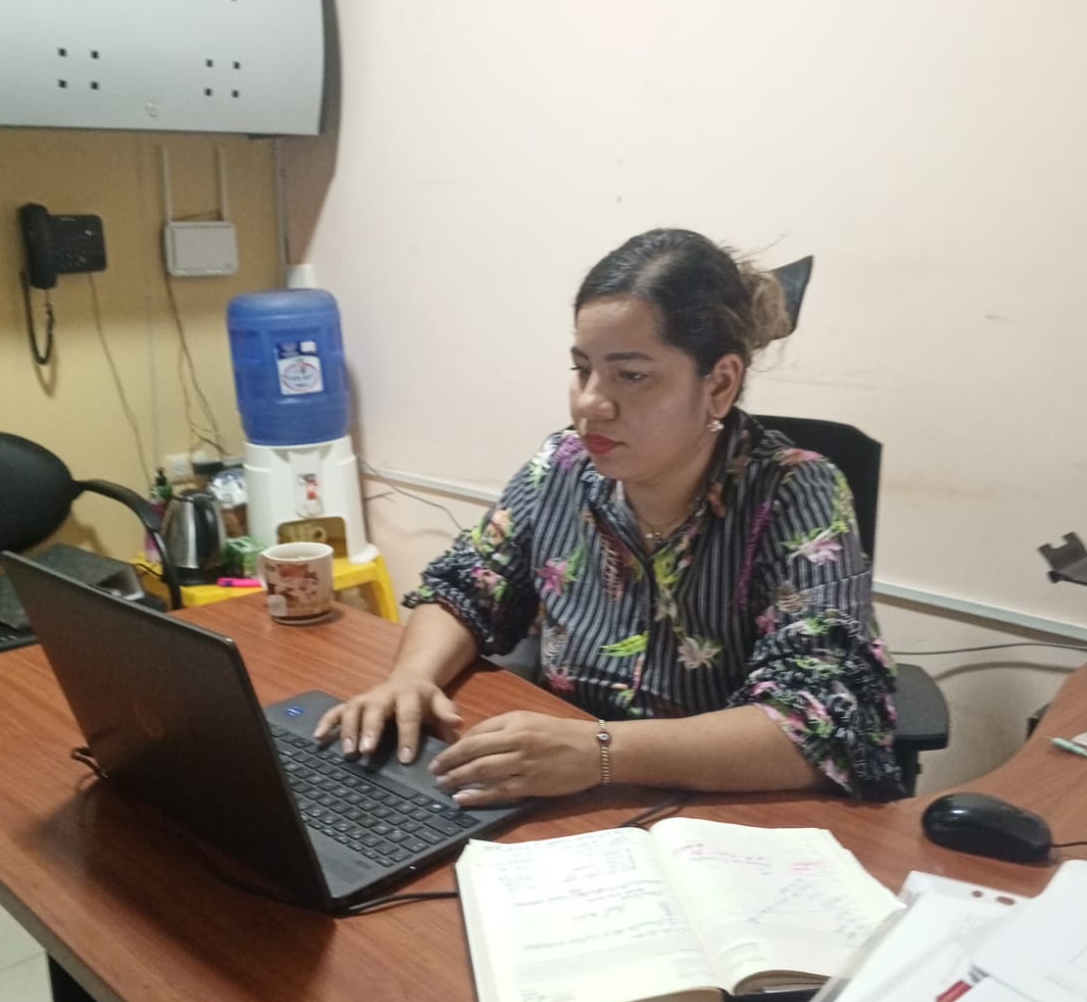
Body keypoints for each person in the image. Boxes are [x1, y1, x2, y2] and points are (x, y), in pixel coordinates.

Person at [317, 228, 902, 804]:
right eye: (582, 369)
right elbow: (467, 585)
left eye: (632, 375)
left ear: (721, 384)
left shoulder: (795, 492)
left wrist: (600, 753)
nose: (590, 403)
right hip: (563, 793)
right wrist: (411, 678)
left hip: (716, 810)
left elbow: (820, 724)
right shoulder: (563, 466)